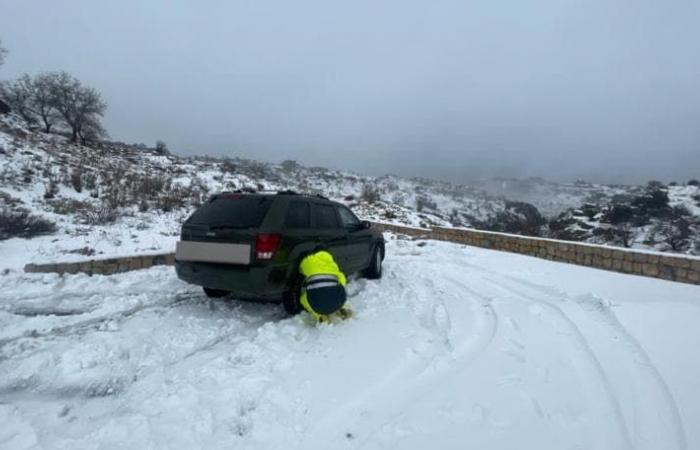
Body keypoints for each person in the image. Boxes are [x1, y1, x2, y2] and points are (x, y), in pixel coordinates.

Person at [299, 247, 352, 323]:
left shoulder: (307, 261)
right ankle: (341, 308)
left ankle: (319, 316)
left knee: (303, 299)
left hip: (318, 305)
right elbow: (342, 281)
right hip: (338, 302)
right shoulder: (332, 264)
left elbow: (301, 269)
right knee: (336, 289)